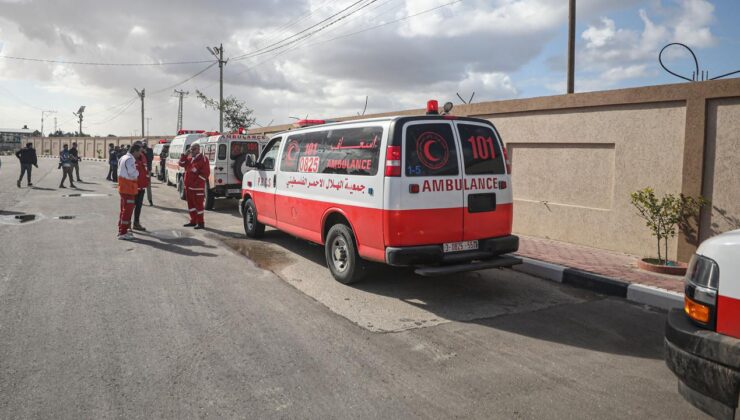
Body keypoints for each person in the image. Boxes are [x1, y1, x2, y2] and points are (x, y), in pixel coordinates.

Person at [179, 143, 210, 229]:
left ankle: (200, 223)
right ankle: (193, 221)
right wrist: (185, 154)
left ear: (198, 150)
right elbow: (181, 163)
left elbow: (205, 174)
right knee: (191, 206)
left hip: (197, 188)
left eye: (193, 149)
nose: (191, 151)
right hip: (189, 188)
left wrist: (195, 184)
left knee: (199, 206)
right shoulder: (190, 159)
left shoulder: (203, 159)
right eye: (190, 150)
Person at [117, 144, 141, 240]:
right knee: (127, 211)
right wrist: (138, 172)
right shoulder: (130, 160)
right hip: (128, 188)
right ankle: (123, 232)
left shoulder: (123, 157)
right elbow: (133, 173)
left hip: (123, 187)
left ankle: (122, 230)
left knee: (123, 210)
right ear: (134, 151)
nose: (140, 154)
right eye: (139, 151)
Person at [132, 141, 149, 231]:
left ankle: (136, 223)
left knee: (138, 206)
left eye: (143, 147)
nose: (143, 148)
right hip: (133, 187)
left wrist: (147, 181)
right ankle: (127, 225)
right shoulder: (131, 158)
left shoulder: (143, 157)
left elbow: (145, 170)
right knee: (130, 206)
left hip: (142, 186)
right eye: (141, 147)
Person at [143, 142, 154, 206]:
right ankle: (138, 200)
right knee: (139, 185)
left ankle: (150, 200)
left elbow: (150, 158)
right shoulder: (139, 150)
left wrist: (145, 152)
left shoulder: (149, 150)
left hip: (147, 170)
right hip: (140, 170)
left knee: (148, 185)